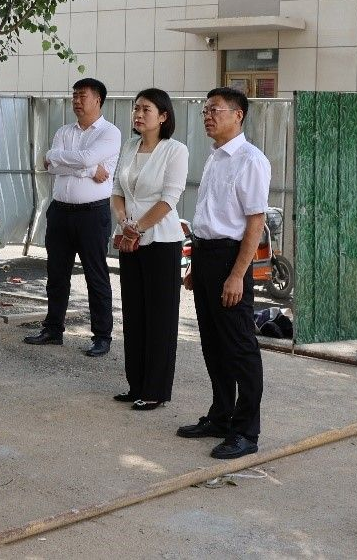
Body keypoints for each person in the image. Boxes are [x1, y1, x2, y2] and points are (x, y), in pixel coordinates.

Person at [179, 87, 270, 460]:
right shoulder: (215, 157)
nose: (207, 116)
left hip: (231, 259)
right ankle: (221, 416)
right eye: (205, 110)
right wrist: (196, 265)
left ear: (238, 115)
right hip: (206, 256)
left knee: (239, 346)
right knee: (213, 344)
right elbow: (209, 216)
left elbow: (255, 222)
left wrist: (237, 275)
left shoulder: (250, 160)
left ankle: (246, 431)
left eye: (215, 110)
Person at [25, 78, 122, 356]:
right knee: (56, 274)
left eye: (82, 96)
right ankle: (53, 329)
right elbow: (51, 165)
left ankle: (102, 336)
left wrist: (63, 159)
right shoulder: (64, 131)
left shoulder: (110, 133)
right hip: (60, 212)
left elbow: (81, 157)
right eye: (74, 96)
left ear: (98, 100)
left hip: (92, 214)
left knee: (95, 275)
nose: (76, 101)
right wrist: (89, 170)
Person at [110, 88, 189, 410]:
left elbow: (169, 199)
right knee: (134, 314)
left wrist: (138, 227)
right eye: (136, 109)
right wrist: (124, 223)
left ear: (163, 116)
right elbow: (117, 190)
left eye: (146, 109)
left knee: (160, 318)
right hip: (129, 239)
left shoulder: (175, 150)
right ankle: (136, 384)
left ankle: (155, 389)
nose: (138, 114)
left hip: (161, 241)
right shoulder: (129, 146)